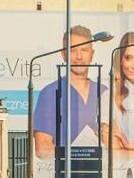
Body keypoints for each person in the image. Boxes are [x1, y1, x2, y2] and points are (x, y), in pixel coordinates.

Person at [32, 25, 110, 159]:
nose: (79, 56)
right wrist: (75, 160)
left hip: (100, 173)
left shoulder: (104, 93)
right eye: (73, 50)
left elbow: (115, 143)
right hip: (64, 175)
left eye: (84, 50)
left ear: (92, 55)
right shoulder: (50, 93)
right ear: (64, 54)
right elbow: (42, 148)